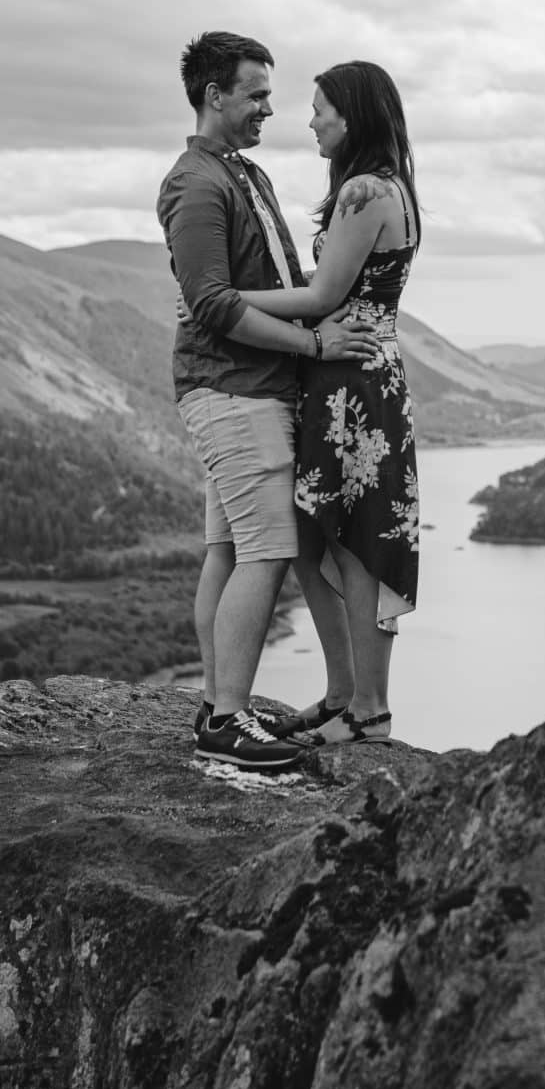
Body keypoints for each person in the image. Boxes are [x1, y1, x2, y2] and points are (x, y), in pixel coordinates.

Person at [159, 31, 370, 770]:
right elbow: (212, 304)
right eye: (254, 94)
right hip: (233, 390)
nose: (267, 110)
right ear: (214, 94)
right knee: (270, 549)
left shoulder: (241, 174)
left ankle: (218, 702)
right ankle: (225, 720)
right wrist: (314, 346)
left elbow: (247, 285)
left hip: (245, 389)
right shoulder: (196, 184)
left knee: (224, 548)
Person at [228, 61, 420, 746]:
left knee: (357, 543)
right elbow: (327, 290)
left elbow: (318, 298)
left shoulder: (365, 190)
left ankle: (367, 711)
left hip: (353, 389)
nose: (309, 121)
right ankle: (345, 695)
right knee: (314, 536)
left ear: (354, 116)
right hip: (350, 378)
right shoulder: (382, 186)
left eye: (320, 110)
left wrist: (223, 299)